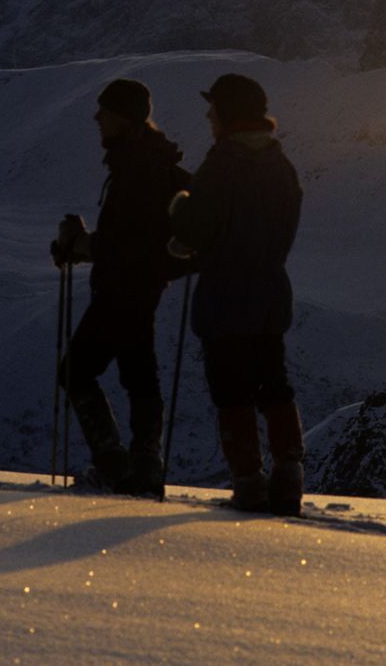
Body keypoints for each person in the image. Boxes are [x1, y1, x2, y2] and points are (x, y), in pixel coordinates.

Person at [169, 73, 305, 515]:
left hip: (225, 295)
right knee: (274, 384)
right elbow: (285, 229)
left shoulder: (221, 163)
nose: (209, 117)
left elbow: (197, 228)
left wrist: (180, 212)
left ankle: (249, 482)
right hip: (269, 293)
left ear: (228, 114)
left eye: (214, 109)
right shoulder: (280, 165)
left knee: (231, 390)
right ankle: (289, 475)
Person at [52, 78, 190, 496]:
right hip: (142, 286)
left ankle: (116, 466)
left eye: (105, 112)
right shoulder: (149, 162)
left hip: (122, 289)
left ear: (125, 118)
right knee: (139, 376)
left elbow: (126, 240)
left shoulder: (136, 167)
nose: (97, 119)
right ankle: (143, 467)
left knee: (76, 372)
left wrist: (79, 245)